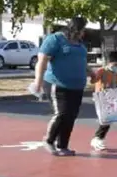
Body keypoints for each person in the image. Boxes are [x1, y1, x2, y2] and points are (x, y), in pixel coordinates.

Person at [31, 17, 96, 156]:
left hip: (77, 86)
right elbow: (42, 60)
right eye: (82, 29)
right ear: (75, 28)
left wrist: (92, 73)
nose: (84, 33)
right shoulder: (55, 40)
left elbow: (82, 62)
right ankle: (49, 140)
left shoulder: (79, 44)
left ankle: (63, 146)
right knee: (62, 113)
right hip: (57, 84)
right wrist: (38, 81)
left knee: (71, 116)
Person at [90, 50, 117, 152]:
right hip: (101, 98)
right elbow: (93, 81)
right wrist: (94, 75)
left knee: (109, 120)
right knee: (105, 120)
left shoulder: (115, 74)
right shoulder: (102, 71)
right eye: (115, 64)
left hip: (111, 99)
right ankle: (97, 139)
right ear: (109, 62)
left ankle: (99, 138)